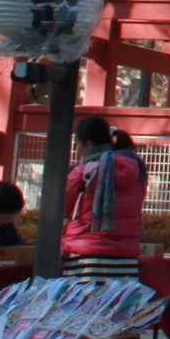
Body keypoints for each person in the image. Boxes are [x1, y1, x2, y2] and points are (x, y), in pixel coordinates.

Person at [59, 114, 147, 275]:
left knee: (83, 301)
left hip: (85, 257)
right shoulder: (137, 171)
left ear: (88, 145)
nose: (78, 151)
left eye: (77, 145)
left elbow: (60, 208)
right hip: (127, 260)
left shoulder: (83, 172)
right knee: (120, 300)